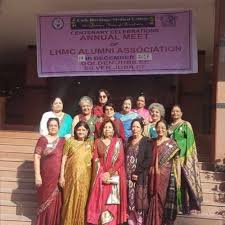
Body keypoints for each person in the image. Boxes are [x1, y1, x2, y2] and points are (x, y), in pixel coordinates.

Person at [87, 119, 127, 225]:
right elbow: (95, 159)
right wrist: (101, 174)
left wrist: (109, 173)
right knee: (102, 203)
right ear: (102, 130)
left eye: (109, 127)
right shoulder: (97, 141)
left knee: (112, 203)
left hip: (114, 176)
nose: (107, 129)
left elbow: (120, 159)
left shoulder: (118, 142)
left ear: (113, 130)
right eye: (105, 127)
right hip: (100, 178)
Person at [168, 105, 203, 214]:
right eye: (173, 111)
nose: (175, 113)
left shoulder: (186, 124)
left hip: (184, 157)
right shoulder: (168, 127)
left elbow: (190, 141)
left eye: (177, 111)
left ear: (181, 113)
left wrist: (186, 156)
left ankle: (192, 206)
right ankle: (179, 207)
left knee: (187, 181)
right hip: (172, 159)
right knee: (176, 182)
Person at [146, 119, 180, 225]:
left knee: (162, 199)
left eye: (163, 128)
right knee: (151, 198)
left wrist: (178, 178)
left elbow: (177, 162)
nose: (160, 130)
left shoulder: (172, 144)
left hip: (165, 176)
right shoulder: (151, 142)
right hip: (151, 175)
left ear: (166, 129)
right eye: (158, 127)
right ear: (155, 129)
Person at [59, 121, 93, 225]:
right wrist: (61, 176)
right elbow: (64, 158)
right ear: (75, 130)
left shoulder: (90, 144)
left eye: (83, 130)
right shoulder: (70, 141)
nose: (81, 132)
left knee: (82, 200)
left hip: (85, 178)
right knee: (68, 200)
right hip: (70, 176)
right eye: (79, 130)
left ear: (87, 132)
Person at [34, 118, 65, 225]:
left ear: (58, 127)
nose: (53, 127)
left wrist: (63, 176)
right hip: (45, 176)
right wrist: (37, 175)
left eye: (55, 125)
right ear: (47, 127)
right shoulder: (42, 140)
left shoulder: (62, 140)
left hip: (57, 177)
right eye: (51, 125)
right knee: (44, 200)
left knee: (55, 203)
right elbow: (37, 157)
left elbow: (65, 158)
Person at [126, 118, 152, 225]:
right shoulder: (129, 140)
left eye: (137, 127)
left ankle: (140, 221)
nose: (135, 129)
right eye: (133, 126)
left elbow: (148, 159)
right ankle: (131, 221)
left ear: (141, 128)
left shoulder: (146, 141)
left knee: (138, 200)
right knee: (130, 199)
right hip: (128, 176)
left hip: (139, 176)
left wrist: (137, 172)